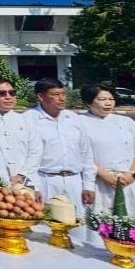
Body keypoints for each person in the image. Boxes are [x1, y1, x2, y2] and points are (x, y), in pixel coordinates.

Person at [78, 85, 135, 261]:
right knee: (101, 225)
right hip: (100, 183)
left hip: (128, 183)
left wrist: (132, 175)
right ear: (88, 102)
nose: (108, 103)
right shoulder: (80, 123)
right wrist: (104, 175)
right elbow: (80, 154)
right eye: (102, 99)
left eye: (111, 99)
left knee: (131, 225)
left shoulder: (126, 122)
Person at [25, 78, 96, 225]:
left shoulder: (74, 119)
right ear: (40, 96)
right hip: (46, 181)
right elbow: (26, 157)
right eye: (56, 94)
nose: (62, 98)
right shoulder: (28, 119)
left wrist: (89, 184)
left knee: (78, 227)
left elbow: (86, 153)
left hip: (75, 182)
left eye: (63, 94)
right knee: (46, 228)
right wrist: (34, 187)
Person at [0, 77, 41, 188]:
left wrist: (22, 175)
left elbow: (35, 151)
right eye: (2, 93)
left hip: (25, 182)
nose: (8, 97)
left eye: (12, 93)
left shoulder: (26, 120)